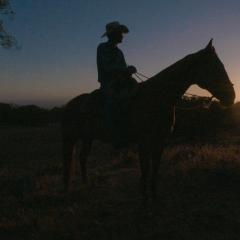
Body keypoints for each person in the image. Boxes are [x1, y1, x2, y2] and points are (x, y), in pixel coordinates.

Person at [97, 21, 137, 147]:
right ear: (113, 35)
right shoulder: (102, 48)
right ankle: (112, 134)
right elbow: (106, 67)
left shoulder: (119, 52)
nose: (122, 36)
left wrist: (129, 70)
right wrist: (125, 70)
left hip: (121, 83)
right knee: (111, 101)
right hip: (108, 84)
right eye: (120, 33)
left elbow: (123, 69)